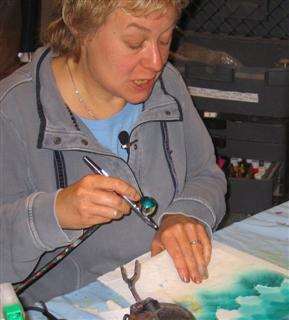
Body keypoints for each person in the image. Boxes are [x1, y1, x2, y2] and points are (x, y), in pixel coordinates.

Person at [0, 0, 227, 304]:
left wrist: (187, 214)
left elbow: (205, 175)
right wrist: (55, 213)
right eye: (135, 43)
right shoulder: (14, 113)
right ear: (82, 29)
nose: (156, 62)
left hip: (165, 294)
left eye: (165, 38)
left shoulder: (167, 86)